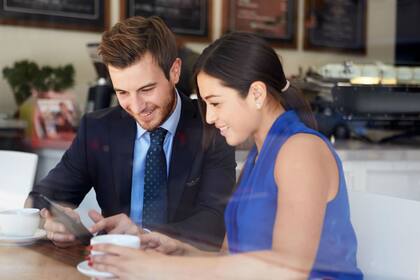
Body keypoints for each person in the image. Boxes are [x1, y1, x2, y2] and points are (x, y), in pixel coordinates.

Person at [89, 32, 363, 279]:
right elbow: (230, 263)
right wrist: (177, 251)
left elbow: (288, 269)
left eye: (216, 103)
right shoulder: (260, 154)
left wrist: (157, 268)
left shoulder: (300, 150)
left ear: (256, 93)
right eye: (205, 104)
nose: (210, 117)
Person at [27, 16, 236, 250]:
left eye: (147, 89)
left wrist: (143, 235)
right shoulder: (97, 129)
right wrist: (57, 219)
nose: (136, 107)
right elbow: (40, 198)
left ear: (174, 71)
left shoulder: (213, 126)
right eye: (122, 92)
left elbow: (216, 221)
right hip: (110, 267)